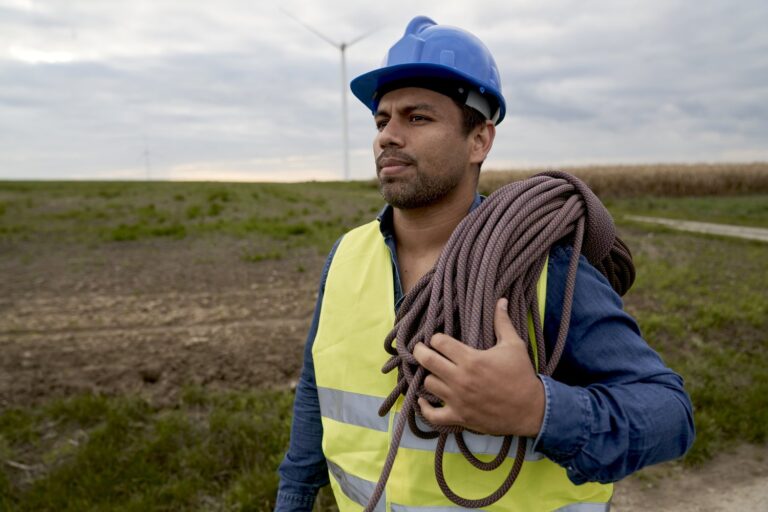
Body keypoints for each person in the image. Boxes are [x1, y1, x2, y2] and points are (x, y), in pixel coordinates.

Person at [275, 16, 694, 512]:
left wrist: (537, 409)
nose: (388, 135)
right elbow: (316, 395)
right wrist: (294, 496)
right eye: (382, 120)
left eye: (417, 117)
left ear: (480, 140)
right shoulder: (346, 256)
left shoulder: (542, 264)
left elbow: (671, 415)